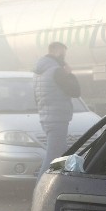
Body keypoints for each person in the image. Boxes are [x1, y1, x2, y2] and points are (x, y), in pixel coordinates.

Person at [34, 42, 74, 175]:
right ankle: (40, 190)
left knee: (60, 157)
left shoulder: (39, 71)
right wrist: (69, 74)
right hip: (58, 119)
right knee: (52, 158)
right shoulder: (57, 70)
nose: (64, 57)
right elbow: (75, 91)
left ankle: (54, 186)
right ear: (57, 51)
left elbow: (36, 97)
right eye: (63, 53)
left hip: (47, 118)